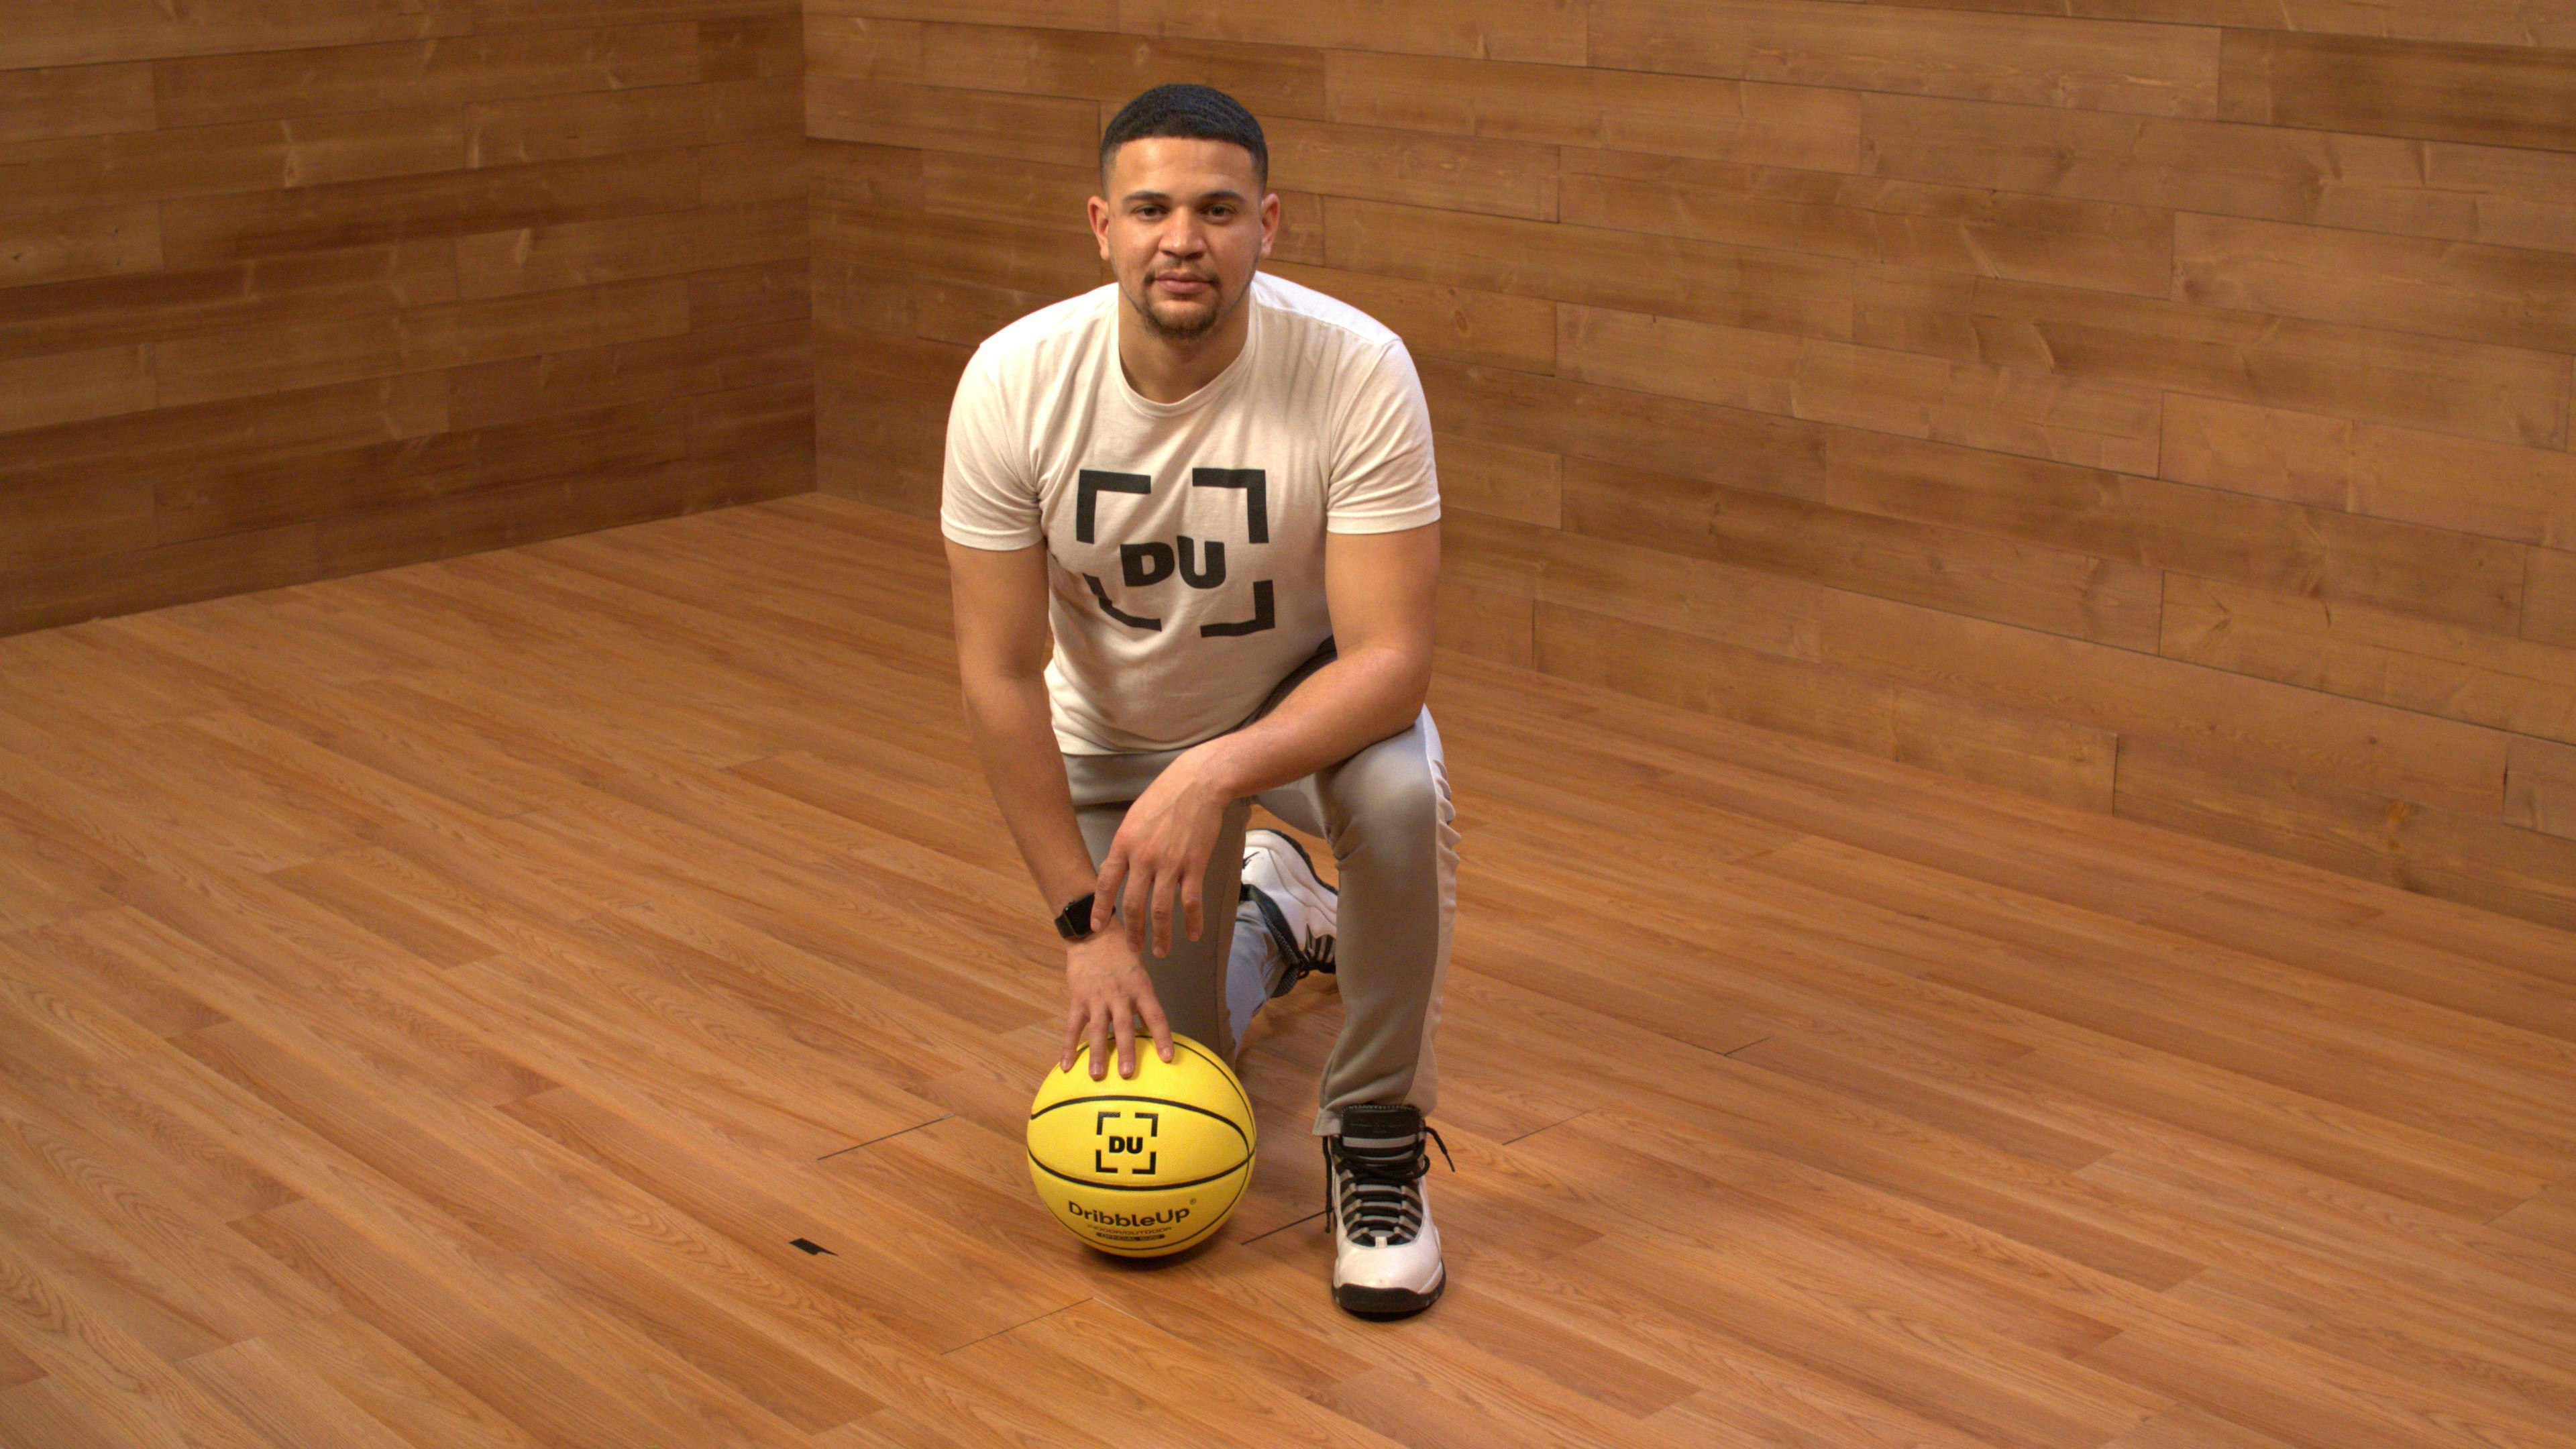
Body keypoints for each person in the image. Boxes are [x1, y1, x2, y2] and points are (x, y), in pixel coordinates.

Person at [939, 83, 1460, 1317]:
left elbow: (1393, 659)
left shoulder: (1355, 366)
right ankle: (1273, 921)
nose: (1185, 236)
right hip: (1117, 728)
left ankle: (1376, 1134)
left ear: (1267, 224)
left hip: (1301, 704)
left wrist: (1219, 771)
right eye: (1153, 208)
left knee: (1397, 798)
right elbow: (1001, 676)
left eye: (1218, 208)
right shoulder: (1015, 382)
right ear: (1101, 227)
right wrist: (1087, 926)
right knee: (1179, 1059)